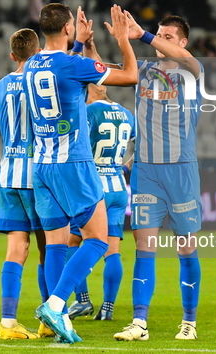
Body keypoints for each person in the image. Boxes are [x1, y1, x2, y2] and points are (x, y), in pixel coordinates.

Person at [24, 3, 138, 344]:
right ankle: (57, 305)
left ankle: (60, 322)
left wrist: (80, 45)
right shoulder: (75, 65)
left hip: (41, 166)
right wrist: (122, 40)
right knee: (98, 239)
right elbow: (130, 75)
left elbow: (61, 70)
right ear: (68, 29)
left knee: (57, 244)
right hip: (73, 164)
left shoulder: (31, 64)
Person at [109, 13, 203, 341]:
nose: (161, 40)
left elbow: (187, 61)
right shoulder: (145, 72)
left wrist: (144, 34)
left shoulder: (192, 72)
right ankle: (139, 322)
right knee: (144, 246)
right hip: (146, 171)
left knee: (186, 249)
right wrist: (88, 44)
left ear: (181, 42)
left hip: (181, 170)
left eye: (167, 36)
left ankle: (189, 321)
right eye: (159, 34)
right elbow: (102, 74)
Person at [0, 29, 52, 340]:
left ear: (12, 56)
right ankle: (50, 319)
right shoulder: (44, 84)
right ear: (39, 51)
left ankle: (8, 323)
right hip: (40, 177)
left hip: (8, 177)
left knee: (16, 249)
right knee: (49, 250)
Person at [66, 83, 135, 321]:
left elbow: (78, 149)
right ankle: (108, 308)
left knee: (71, 242)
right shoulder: (126, 114)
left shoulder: (88, 112)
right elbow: (143, 147)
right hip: (117, 188)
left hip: (94, 190)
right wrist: (124, 168)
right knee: (112, 251)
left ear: (91, 89)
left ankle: (82, 300)